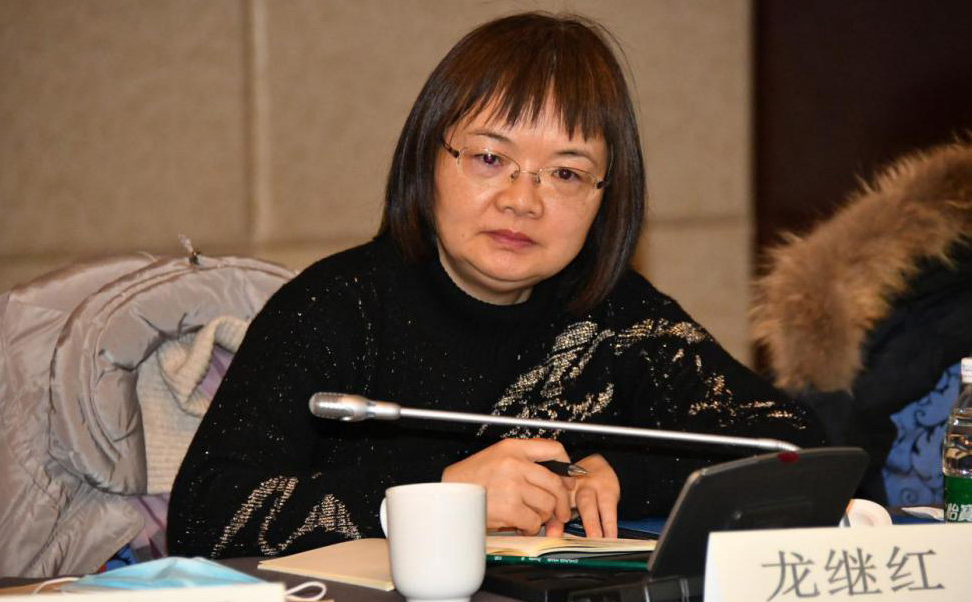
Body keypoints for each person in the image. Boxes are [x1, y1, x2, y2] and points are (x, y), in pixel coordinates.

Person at [168, 11, 825, 558]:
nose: (522, 200)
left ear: (606, 198)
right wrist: (440, 494)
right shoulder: (336, 307)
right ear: (427, 159)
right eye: (489, 158)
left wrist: (630, 475)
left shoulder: (618, 317)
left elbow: (802, 450)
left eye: (565, 174)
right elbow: (206, 518)